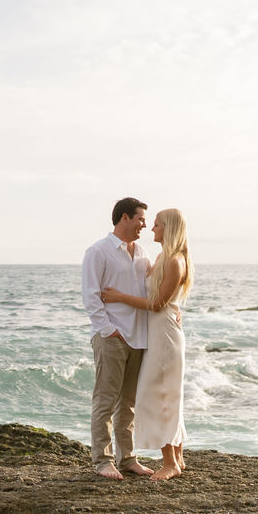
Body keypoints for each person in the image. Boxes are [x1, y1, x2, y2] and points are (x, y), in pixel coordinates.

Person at [101, 208, 194, 481]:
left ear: (170, 228)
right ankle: (177, 458)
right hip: (159, 333)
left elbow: (157, 304)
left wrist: (119, 297)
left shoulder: (175, 261)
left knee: (162, 396)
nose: (152, 229)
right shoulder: (162, 258)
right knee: (165, 394)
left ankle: (169, 464)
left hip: (165, 336)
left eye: (157, 225)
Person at [81, 197, 154, 480]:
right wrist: (108, 329)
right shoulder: (98, 251)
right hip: (112, 336)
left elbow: (149, 292)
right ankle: (102, 460)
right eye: (140, 219)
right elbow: (90, 296)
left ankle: (128, 458)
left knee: (129, 403)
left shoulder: (143, 252)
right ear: (124, 218)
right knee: (105, 400)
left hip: (139, 337)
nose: (144, 225)